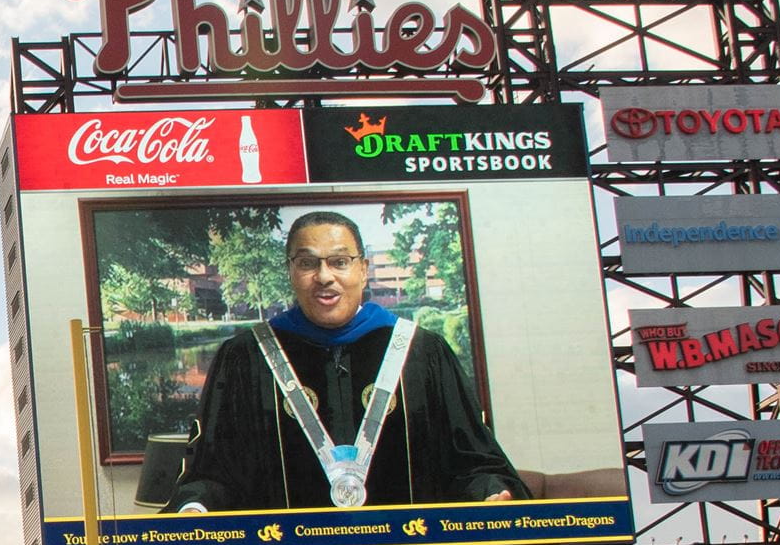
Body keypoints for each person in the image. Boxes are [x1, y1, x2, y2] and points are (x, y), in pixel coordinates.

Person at [170, 211, 522, 515]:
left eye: (339, 262)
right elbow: (214, 471)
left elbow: (472, 460)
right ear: (290, 271)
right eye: (308, 263)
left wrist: (490, 493)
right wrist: (196, 508)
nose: (324, 276)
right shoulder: (245, 358)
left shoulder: (423, 352)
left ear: (364, 269)